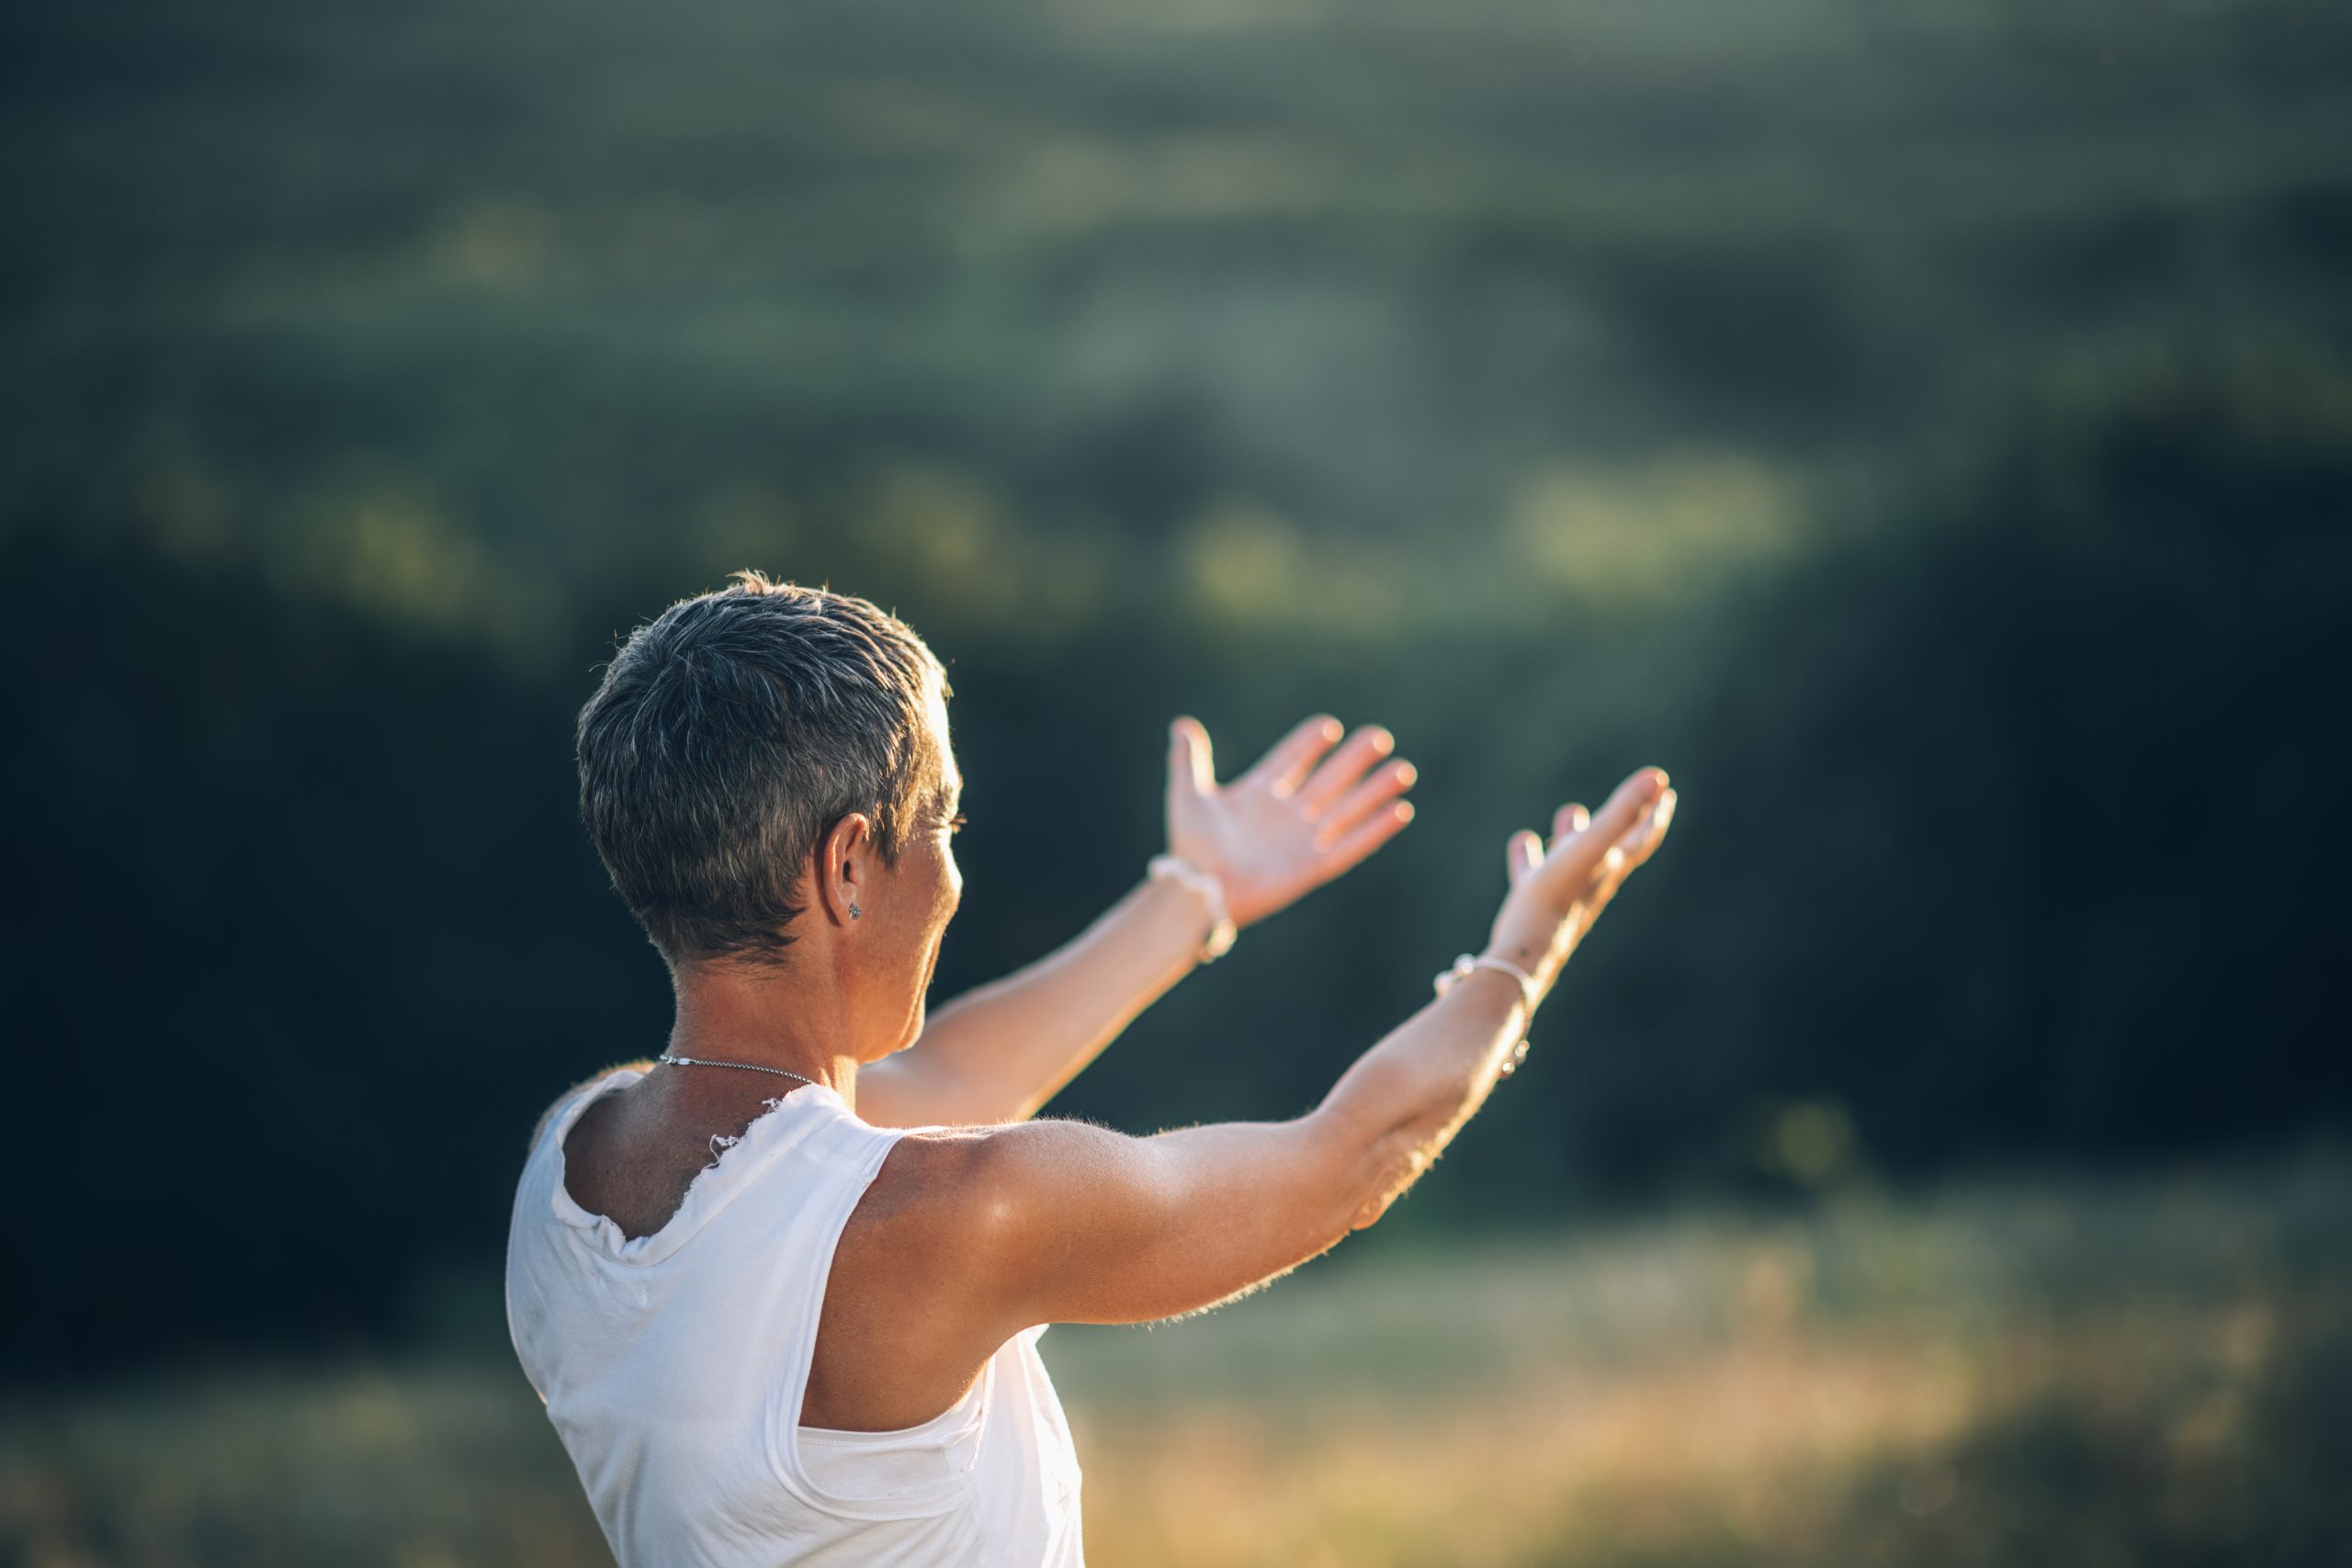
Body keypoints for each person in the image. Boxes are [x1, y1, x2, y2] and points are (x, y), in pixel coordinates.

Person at [504, 571, 1677, 1566]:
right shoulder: (948, 1222)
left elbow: (935, 1081)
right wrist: (1530, 945)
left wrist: (1197, 896)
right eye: (945, 827)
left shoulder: (570, 1164)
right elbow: (1347, 1162)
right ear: (850, 867)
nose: (955, 878)